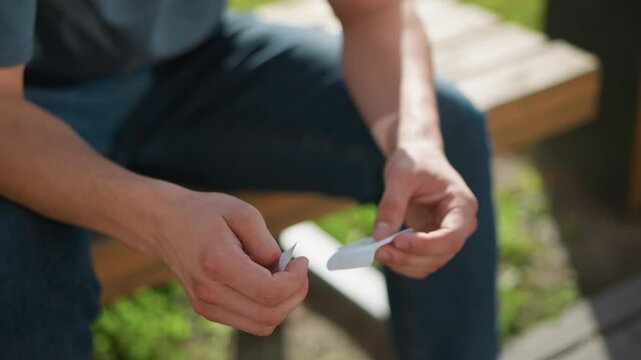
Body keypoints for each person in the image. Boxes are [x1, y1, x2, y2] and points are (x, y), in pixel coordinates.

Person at [0, 0, 497, 359]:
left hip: (197, 65)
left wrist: (416, 143)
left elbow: (376, 12)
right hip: (30, 103)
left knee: (447, 131)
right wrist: (160, 217)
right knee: (24, 286)